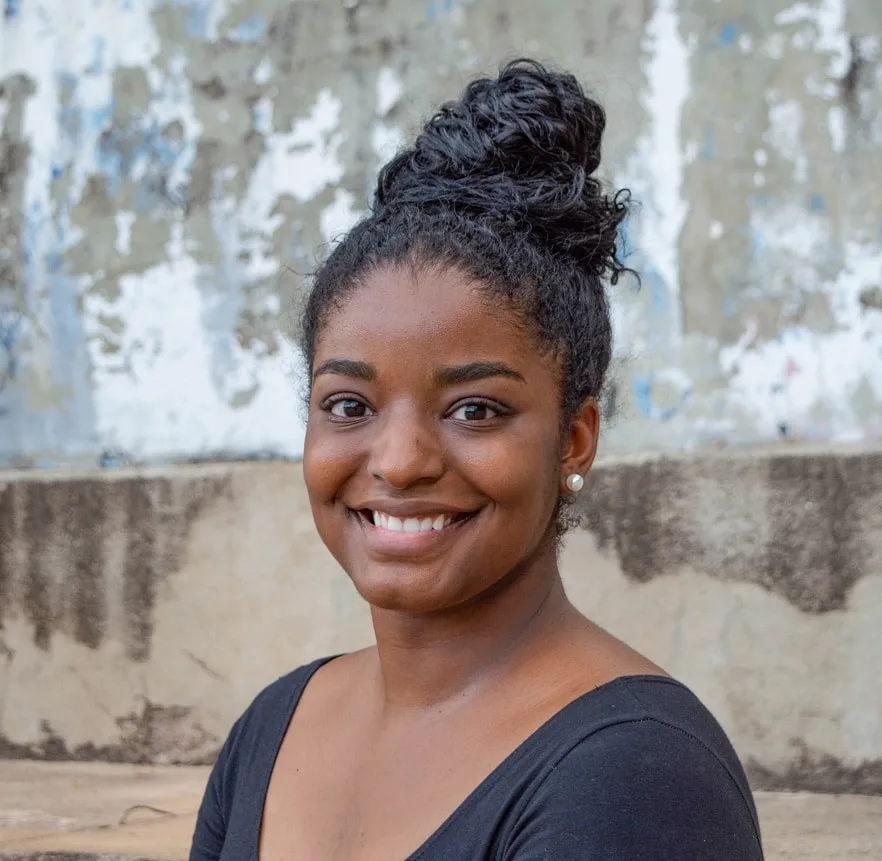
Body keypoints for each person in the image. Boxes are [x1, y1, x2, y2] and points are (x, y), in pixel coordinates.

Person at [190, 59, 764, 861]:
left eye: (474, 409)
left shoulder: (633, 775)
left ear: (574, 439)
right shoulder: (272, 727)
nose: (399, 460)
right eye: (349, 405)